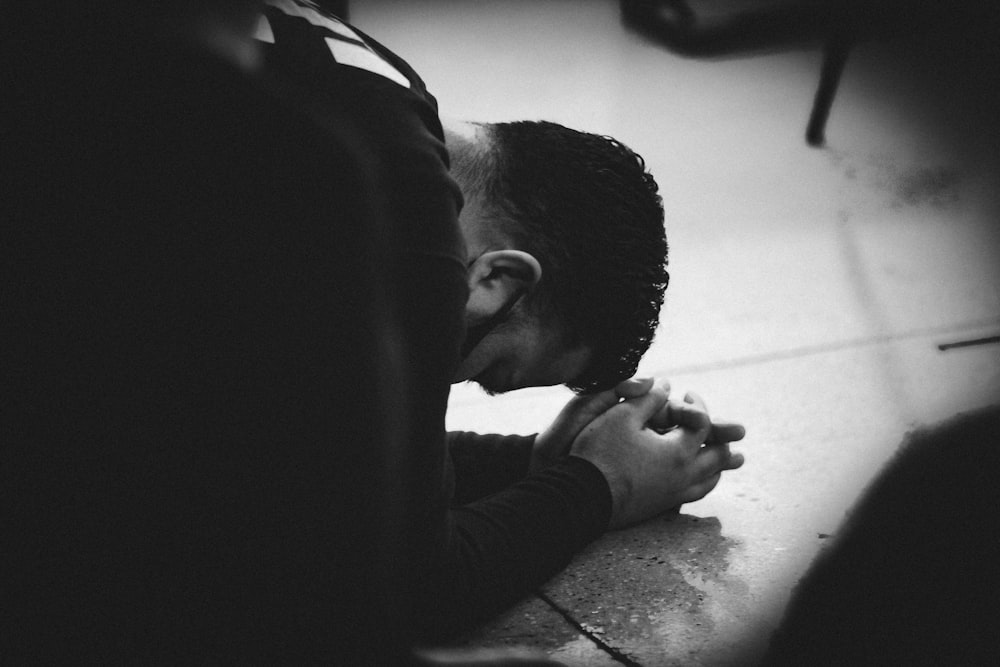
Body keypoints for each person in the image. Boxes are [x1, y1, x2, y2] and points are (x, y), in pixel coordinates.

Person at [254, 0, 746, 642]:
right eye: (487, 367)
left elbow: (323, 452)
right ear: (496, 278)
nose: (445, 383)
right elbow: (408, 590)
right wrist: (605, 483)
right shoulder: (405, 212)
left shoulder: (370, 88)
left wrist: (535, 464)